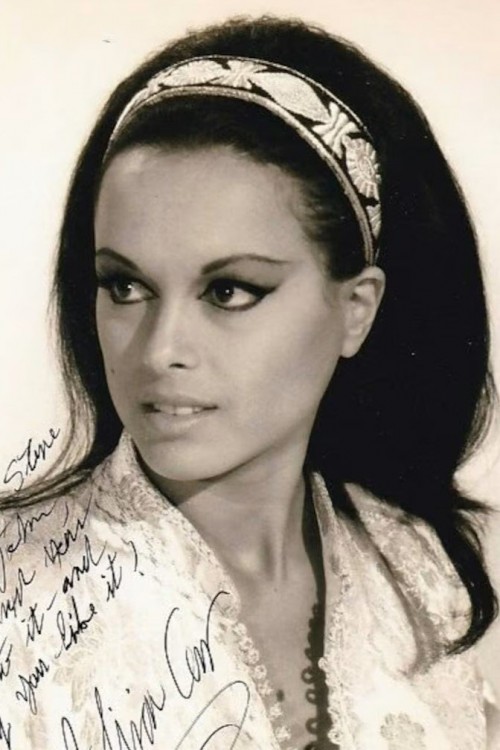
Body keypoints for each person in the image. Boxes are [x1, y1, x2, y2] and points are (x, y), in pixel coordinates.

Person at [0, 15, 498, 750]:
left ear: (356, 310)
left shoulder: (427, 570)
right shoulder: (15, 603)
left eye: (229, 291)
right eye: (125, 286)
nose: (160, 349)